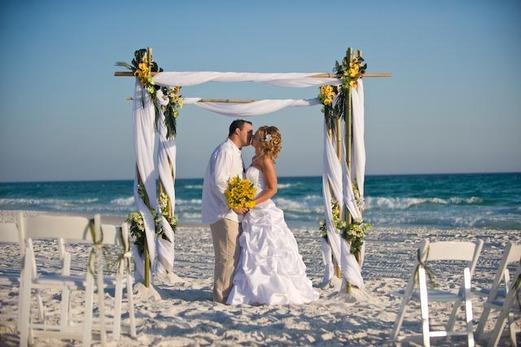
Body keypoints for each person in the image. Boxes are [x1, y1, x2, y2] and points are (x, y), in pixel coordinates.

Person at [227, 126, 319, 305]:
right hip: (251, 214)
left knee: (269, 252)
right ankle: (255, 291)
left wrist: (252, 203)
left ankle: (274, 291)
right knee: (253, 253)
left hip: (263, 212)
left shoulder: (266, 160)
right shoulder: (255, 158)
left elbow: (272, 189)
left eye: (257, 134)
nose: (252, 136)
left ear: (263, 140)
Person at [202, 119, 253, 303]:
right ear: (237, 131)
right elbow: (219, 182)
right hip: (223, 212)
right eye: (249, 131)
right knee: (226, 256)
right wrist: (234, 204)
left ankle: (226, 294)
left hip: (230, 213)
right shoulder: (225, 150)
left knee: (233, 255)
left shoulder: (235, 152)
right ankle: (221, 297)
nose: (251, 135)